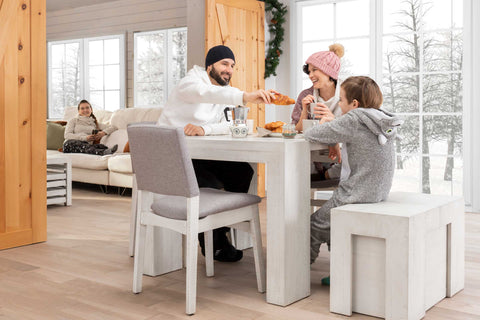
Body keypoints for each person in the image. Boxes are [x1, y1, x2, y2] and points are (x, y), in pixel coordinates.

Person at [157, 45, 276, 262]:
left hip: (196, 154)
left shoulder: (225, 94)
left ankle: (216, 234)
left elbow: (230, 124)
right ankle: (215, 242)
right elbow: (205, 93)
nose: (229, 70)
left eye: (232, 66)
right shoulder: (191, 83)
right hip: (171, 156)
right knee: (209, 183)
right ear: (210, 65)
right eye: (224, 63)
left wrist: (204, 129)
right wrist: (246, 95)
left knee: (242, 172)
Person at [304, 76, 402, 284]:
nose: (339, 104)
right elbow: (362, 157)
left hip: (357, 192)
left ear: (354, 104)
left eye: (341, 100)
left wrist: (328, 120)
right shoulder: (379, 118)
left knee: (315, 224)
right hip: (378, 190)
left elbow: (312, 134)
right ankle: (341, 270)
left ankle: (298, 272)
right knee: (334, 223)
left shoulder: (355, 118)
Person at [291, 44, 345, 181]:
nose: (310, 75)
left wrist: (332, 120)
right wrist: (305, 111)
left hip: (343, 159)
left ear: (329, 72)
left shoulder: (348, 93)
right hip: (312, 158)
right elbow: (295, 131)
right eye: (309, 71)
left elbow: (356, 128)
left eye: (315, 70)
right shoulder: (306, 95)